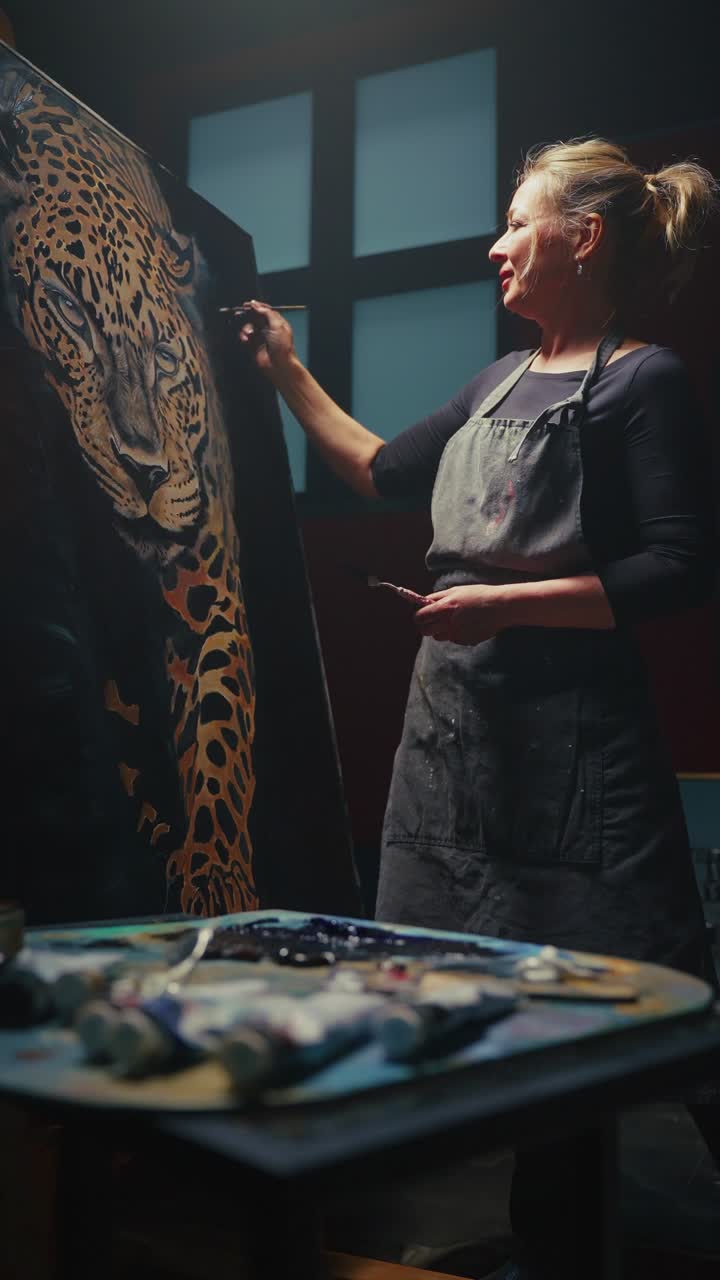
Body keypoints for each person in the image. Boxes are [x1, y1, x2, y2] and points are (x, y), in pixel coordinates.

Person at [240, 138, 718, 1279]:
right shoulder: (494, 382)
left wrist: (509, 605)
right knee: (437, 988)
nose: (498, 246)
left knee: (655, 1006)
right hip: (454, 741)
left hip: (576, 755)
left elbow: (680, 565)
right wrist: (284, 371)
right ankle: (527, 1243)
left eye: (518, 223)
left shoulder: (643, 379)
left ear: (582, 238)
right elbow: (380, 471)